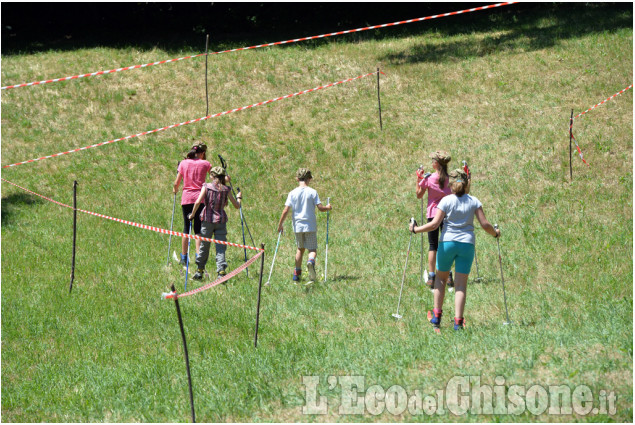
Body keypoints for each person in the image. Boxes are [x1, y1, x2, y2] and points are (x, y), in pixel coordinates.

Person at [409, 168, 500, 331]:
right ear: (466, 184)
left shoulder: (446, 201)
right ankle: (458, 322)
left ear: (450, 185)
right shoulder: (474, 201)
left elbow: (434, 224)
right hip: (467, 245)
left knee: (441, 279)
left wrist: (415, 229)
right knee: (460, 285)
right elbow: (485, 224)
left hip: (447, 243)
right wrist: (495, 234)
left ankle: (436, 318)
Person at [277, 168, 332, 283]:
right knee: (312, 249)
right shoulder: (312, 192)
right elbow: (320, 208)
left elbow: (286, 210)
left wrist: (280, 224)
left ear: (297, 178)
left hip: (297, 226)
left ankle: (296, 274)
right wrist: (328, 207)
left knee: (299, 249)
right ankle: (310, 262)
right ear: (310, 179)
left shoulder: (292, 193)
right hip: (310, 225)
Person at [188, 166, 241, 280]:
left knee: (204, 246)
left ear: (212, 176)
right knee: (221, 247)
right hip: (221, 221)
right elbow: (237, 206)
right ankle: (221, 272)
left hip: (207, 220)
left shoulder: (206, 187)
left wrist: (192, 215)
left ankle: (199, 271)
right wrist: (239, 198)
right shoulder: (226, 190)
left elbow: (198, 202)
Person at [416, 150, 452, 288]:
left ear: (436, 163)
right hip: (447, 214)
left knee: (433, 245)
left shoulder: (429, 178)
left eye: (432, 160)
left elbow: (419, 195)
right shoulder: (450, 179)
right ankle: (447, 275)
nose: (431, 162)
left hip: (432, 214)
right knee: (445, 245)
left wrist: (418, 179)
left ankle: (432, 276)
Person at [173, 143, 211, 265]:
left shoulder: (183, 163)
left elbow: (176, 183)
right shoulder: (205, 164)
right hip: (200, 199)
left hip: (187, 199)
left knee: (186, 228)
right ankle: (198, 257)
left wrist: (175, 189)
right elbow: (214, 176)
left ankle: (184, 257)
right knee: (198, 229)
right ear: (202, 153)